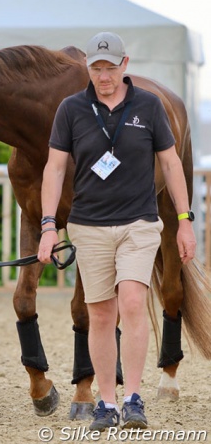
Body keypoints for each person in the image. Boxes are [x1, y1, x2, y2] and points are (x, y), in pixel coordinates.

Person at [37, 31, 196, 431]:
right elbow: (55, 169)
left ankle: (134, 398)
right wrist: (47, 225)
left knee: (131, 302)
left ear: (124, 66)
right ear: (88, 69)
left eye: (110, 67)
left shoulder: (149, 106)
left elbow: (172, 164)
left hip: (138, 224)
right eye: (96, 68)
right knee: (101, 314)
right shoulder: (71, 109)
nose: (103, 75)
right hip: (88, 227)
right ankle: (106, 402)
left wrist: (184, 221)